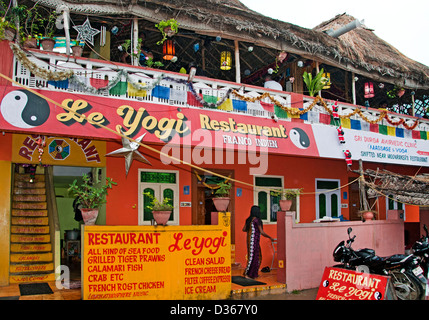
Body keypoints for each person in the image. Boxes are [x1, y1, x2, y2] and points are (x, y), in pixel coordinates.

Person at [242, 206, 274, 279]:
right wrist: (270, 237)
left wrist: (251, 229)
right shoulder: (257, 220)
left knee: (253, 256)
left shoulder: (249, 220)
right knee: (254, 257)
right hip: (255, 240)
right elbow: (261, 232)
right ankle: (247, 274)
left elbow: (244, 229)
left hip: (250, 240)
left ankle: (253, 274)